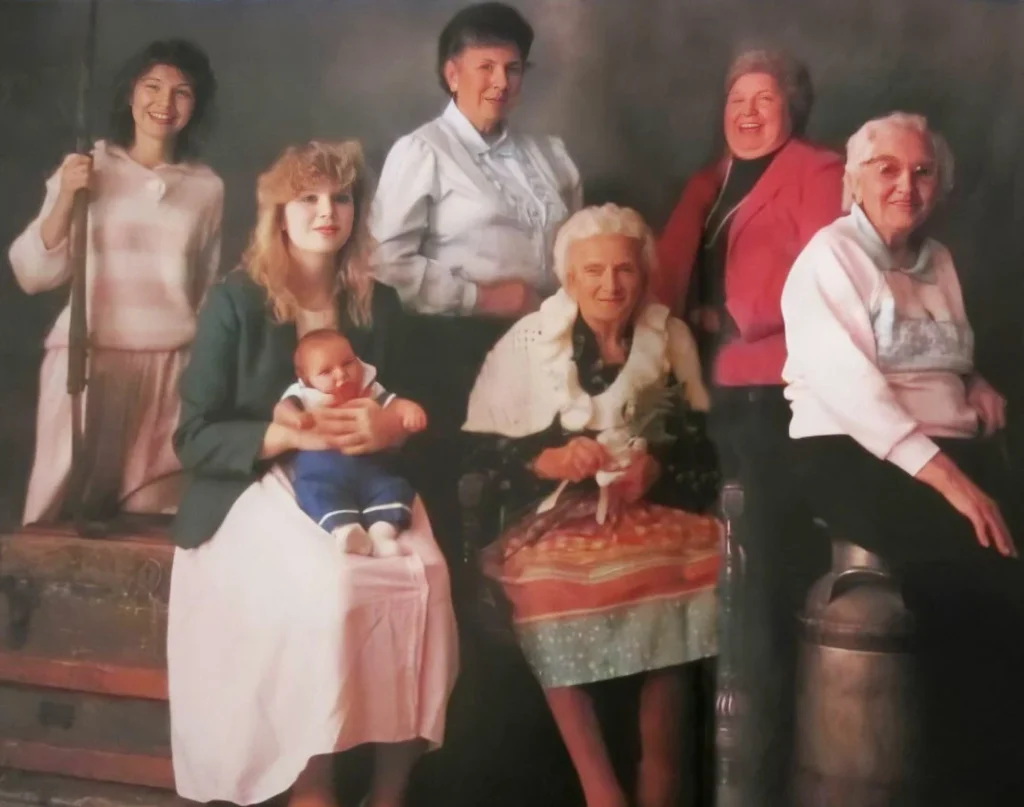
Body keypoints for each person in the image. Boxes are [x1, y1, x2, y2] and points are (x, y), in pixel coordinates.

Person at [168, 140, 457, 807]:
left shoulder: (376, 301)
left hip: (368, 477)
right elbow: (194, 435)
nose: (327, 211)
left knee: (428, 580)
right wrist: (282, 432)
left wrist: (389, 426)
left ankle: (391, 788)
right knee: (330, 586)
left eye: (341, 197)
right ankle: (313, 780)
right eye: (309, 198)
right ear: (279, 211)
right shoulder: (235, 302)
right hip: (262, 483)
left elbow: (415, 405)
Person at [782, 112, 1024, 802]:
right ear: (854, 180)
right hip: (853, 451)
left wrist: (974, 382)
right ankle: (962, 781)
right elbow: (855, 391)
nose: (905, 186)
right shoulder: (829, 258)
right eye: (886, 169)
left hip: (943, 447)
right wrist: (952, 484)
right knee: (978, 575)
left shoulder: (937, 260)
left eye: (921, 171)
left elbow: (940, 351)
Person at [464, 204, 721, 807]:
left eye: (625, 270)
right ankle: (601, 792)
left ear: (644, 274)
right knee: (552, 586)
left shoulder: (669, 336)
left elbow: (704, 442)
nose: (610, 285)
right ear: (569, 278)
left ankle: (660, 781)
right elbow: (480, 448)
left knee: (686, 577)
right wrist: (548, 459)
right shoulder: (529, 340)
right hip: (553, 517)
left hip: (647, 509)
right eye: (594, 272)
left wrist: (656, 464)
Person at [654, 48, 844, 804]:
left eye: (767, 96)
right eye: (738, 95)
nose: (749, 109)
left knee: (753, 583)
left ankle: (756, 776)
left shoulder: (819, 170)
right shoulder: (708, 182)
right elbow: (665, 273)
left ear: (794, 109)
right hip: (695, 391)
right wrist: (660, 328)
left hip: (772, 396)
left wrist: (729, 314)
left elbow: (827, 266)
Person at [371, 1, 582, 564]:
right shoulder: (423, 152)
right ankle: (464, 633)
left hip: (543, 348)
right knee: (464, 508)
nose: (501, 82)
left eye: (513, 69)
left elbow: (578, 247)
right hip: (451, 354)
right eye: (485, 66)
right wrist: (485, 297)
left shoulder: (547, 156)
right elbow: (388, 263)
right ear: (452, 73)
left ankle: (534, 630)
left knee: (544, 499)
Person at [9, 39, 223, 523]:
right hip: (86, 357)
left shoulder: (207, 188)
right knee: (60, 503)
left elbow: (205, 289)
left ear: (196, 105)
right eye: (152, 87)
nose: (164, 104)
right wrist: (66, 195)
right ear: (131, 94)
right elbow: (31, 274)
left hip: (169, 365)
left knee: (153, 507)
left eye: (182, 92)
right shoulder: (87, 170)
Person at [279, 329, 428, 557]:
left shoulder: (368, 389)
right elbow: (281, 410)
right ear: (306, 378)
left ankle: (382, 534)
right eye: (326, 371)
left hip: (372, 465)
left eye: (348, 363)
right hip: (323, 467)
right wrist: (296, 418)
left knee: (392, 488)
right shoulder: (304, 395)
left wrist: (409, 411)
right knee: (315, 491)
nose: (341, 374)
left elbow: (394, 403)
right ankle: (346, 530)